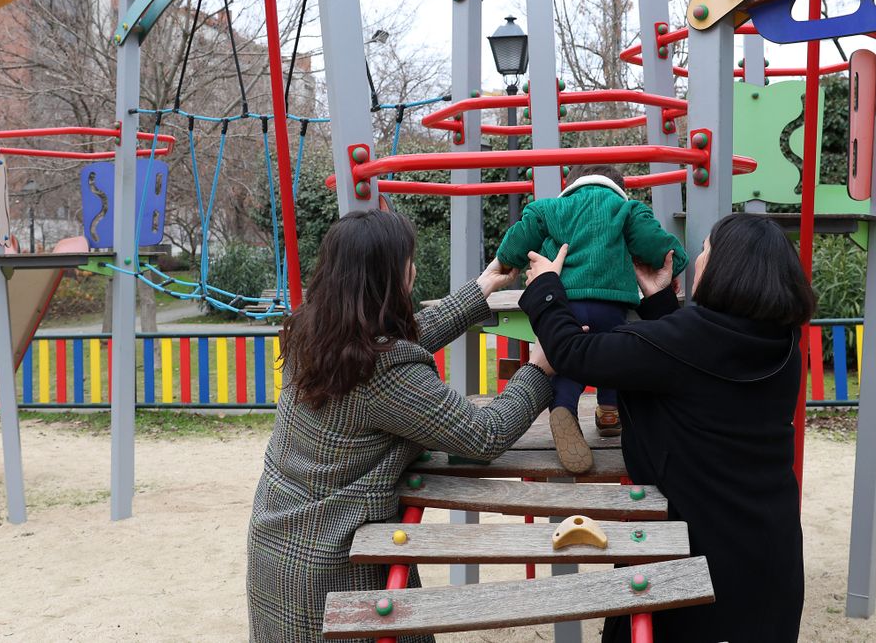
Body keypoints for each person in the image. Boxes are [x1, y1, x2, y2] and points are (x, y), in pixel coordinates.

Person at [247, 210, 555, 642]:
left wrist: (482, 287)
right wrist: (538, 370)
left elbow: (403, 339)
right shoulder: (387, 373)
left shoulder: (312, 328)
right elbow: (485, 433)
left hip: (278, 538)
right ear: (389, 277)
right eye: (407, 259)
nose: (414, 267)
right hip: (331, 560)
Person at [519, 213, 814, 642]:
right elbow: (692, 363)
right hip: (772, 551)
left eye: (707, 250)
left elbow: (574, 352)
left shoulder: (687, 341)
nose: (698, 261)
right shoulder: (786, 348)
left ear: (728, 268)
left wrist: (546, 287)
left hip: (695, 555)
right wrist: (659, 301)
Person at [496, 164, 687, 474]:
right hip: (611, 307)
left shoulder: (550, 208)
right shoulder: (626, 209)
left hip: (563, 303)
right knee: (614, 355)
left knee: (568, 358)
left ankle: (564, 408)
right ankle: (610, 409)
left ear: (570, 186)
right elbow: (656, 243)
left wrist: (507, 259)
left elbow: (521, 236)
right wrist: (673, 264)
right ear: (617, 188)